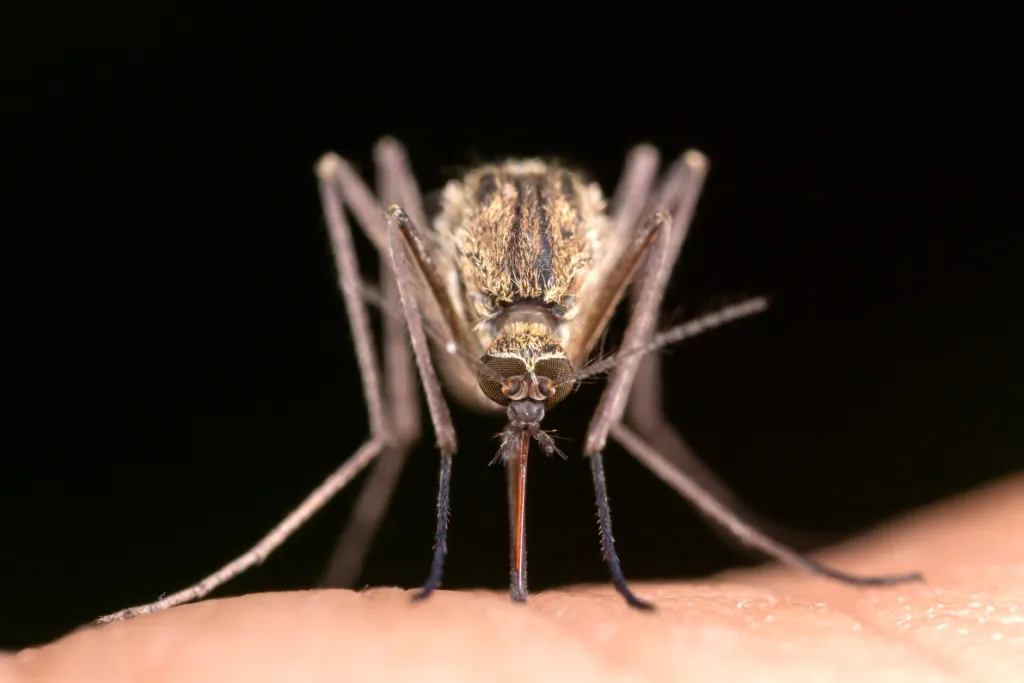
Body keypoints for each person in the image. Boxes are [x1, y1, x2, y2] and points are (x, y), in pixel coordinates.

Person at [4, 474, 1021, 683]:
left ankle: (639, 427)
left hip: (550, 300)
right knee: (378, 192)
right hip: (470, 312)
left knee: (665, 189)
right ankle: (400, 440)